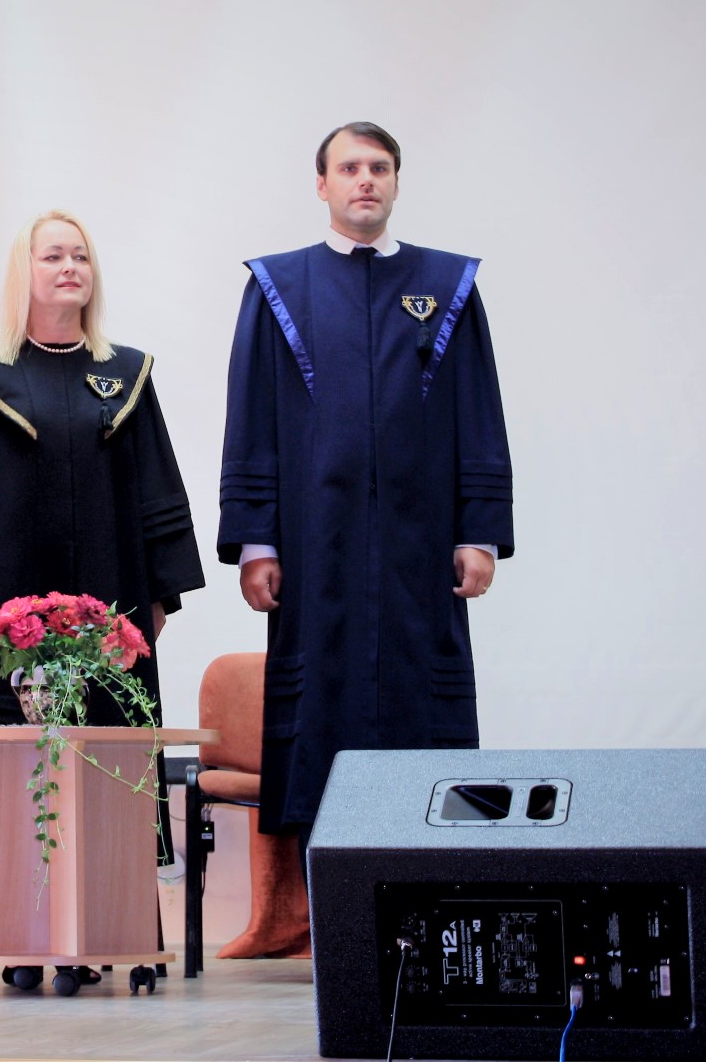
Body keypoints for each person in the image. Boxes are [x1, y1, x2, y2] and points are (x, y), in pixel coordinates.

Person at [217, 122, 515, 869]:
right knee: (323, 706)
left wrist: (478, 531)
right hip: (315, 546)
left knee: (424, 710)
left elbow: (478, 410)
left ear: (397, 182)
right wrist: (257, 540)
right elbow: (251, 416)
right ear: (322, 184)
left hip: (423, 548)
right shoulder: (280, 288)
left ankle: (430, 885)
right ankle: (330, 904)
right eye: (349, 168)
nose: (366, 180)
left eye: (380, 168)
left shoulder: (447, 286)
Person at [0, 208, 204, 730]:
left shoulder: (128, 373)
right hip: (10, 588)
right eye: (53, 257)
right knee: (15, 741)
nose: (70, 266)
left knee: (114, 730)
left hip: (112, 584)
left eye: (80, 257)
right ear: (23, 272)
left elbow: (155, 484)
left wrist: (160, 591)